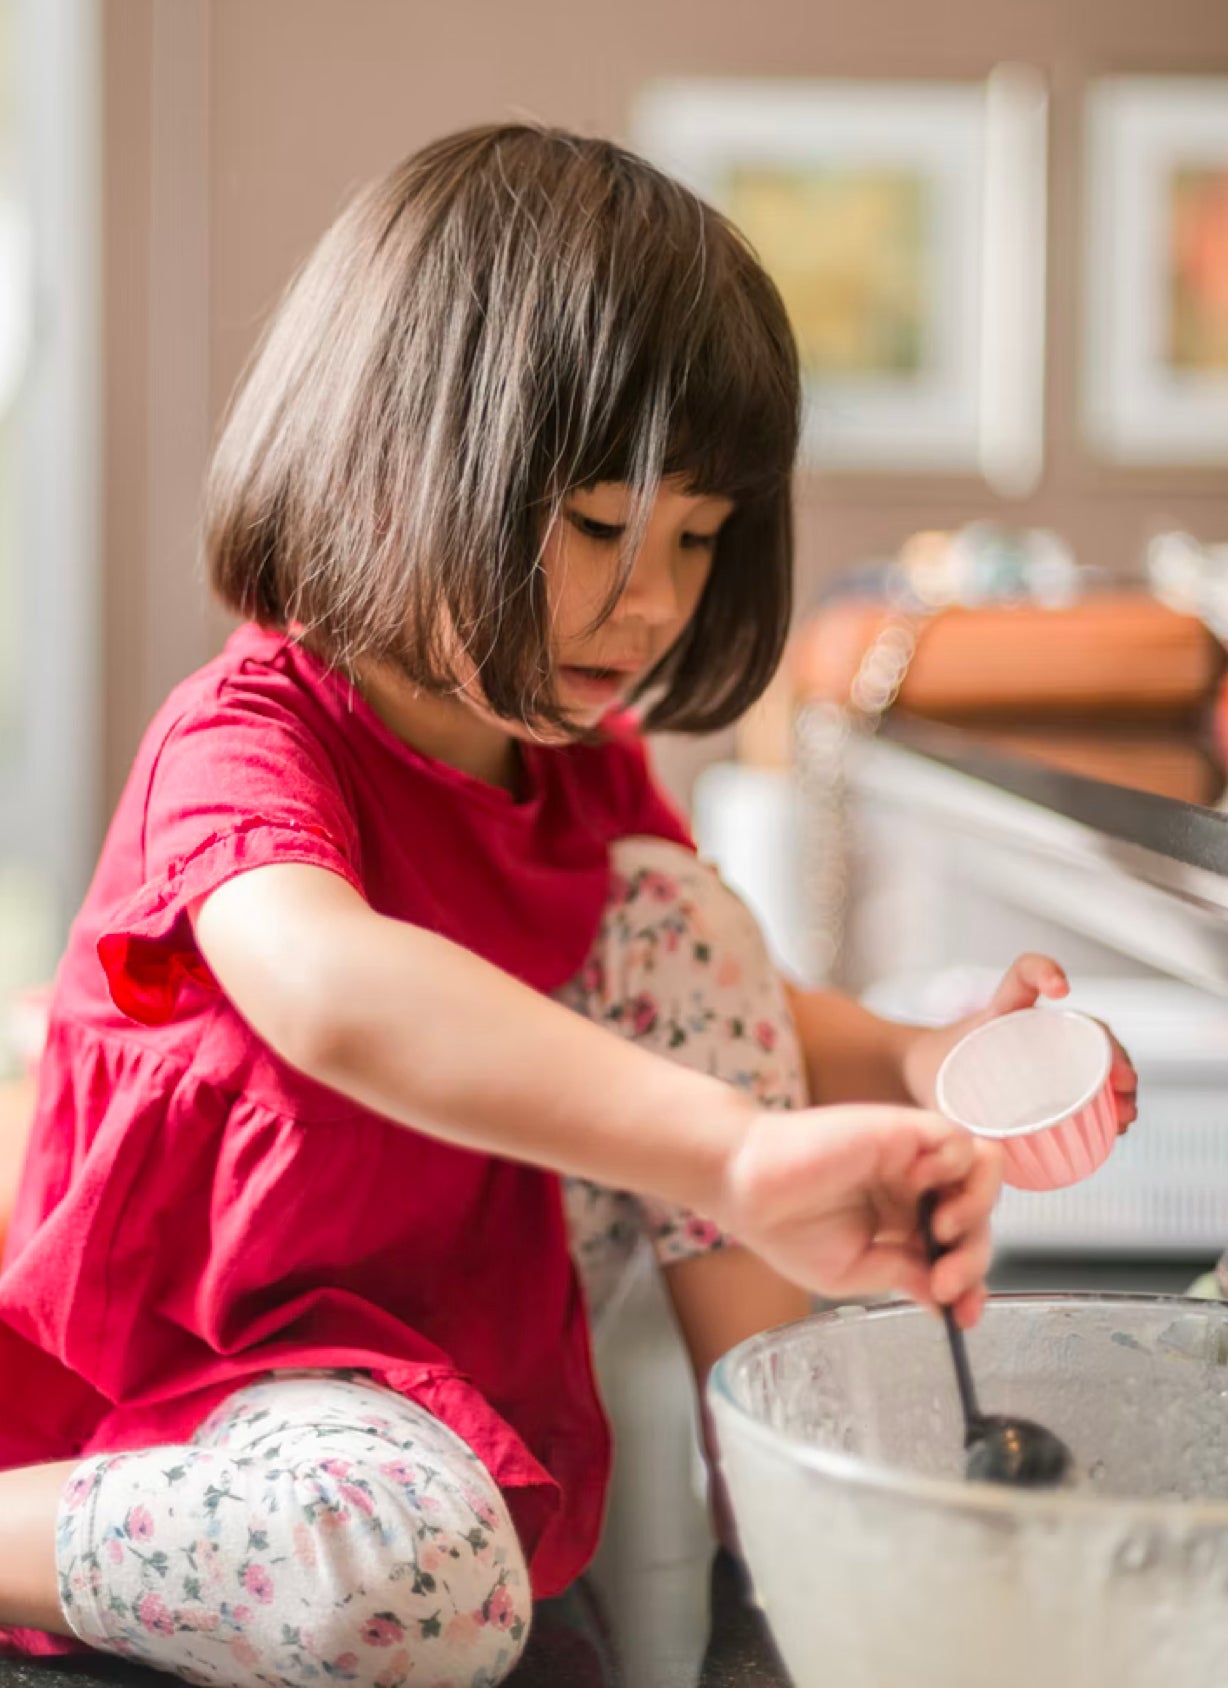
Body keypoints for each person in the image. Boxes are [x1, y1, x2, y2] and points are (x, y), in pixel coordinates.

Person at [0, 125, 1136, 1688]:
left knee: (674, 911)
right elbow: (330, 988)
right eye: (606, 529)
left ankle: (783, 1519)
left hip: (463, 1310)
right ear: (399, 463)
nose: (658, 599)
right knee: (412, 1577)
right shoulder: (247, 739)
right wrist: (735, 1153)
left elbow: (720, 998)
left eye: (699, 541)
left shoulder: (577, 767)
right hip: (225, 1376)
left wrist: (924, 1059)